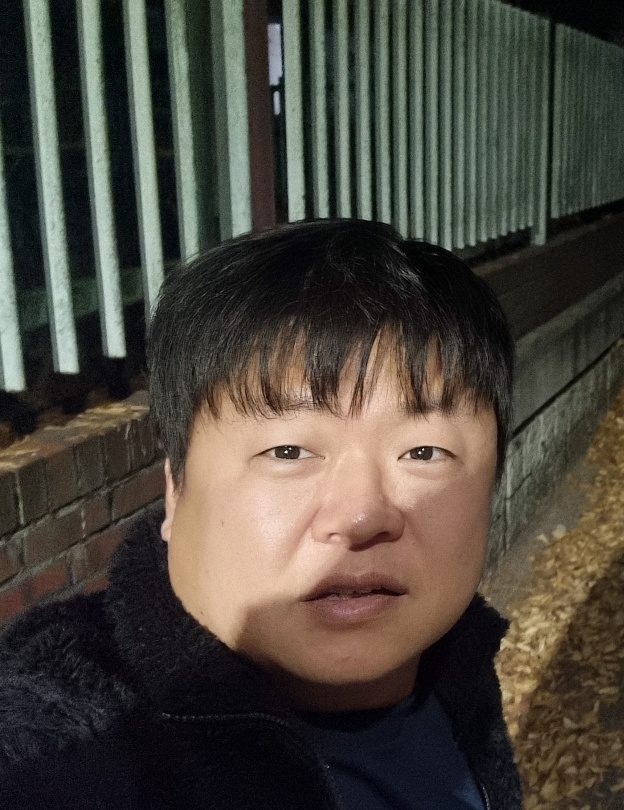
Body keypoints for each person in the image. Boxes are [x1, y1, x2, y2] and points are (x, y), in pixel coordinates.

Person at [0, 220, 523, 809]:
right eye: (288, 451)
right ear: (175, 487)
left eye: (424, 452)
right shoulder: (68, 753)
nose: (361, 515)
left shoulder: (454, 664)